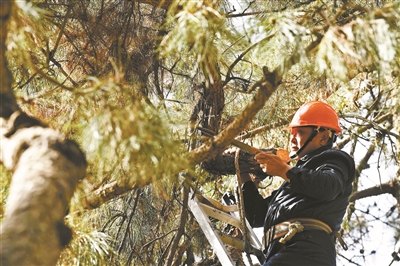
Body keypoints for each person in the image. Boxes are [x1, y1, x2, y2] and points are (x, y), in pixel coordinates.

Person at [241, 101, 355, 266]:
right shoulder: (293, 185)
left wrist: (284, 170)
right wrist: (244, 175)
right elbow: (256, 216)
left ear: (323, 137)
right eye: (292, 133)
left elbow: (328, 186)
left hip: (306, 251)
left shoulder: (333, 159)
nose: (292, 138)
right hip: (283, 252)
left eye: (300, 132)